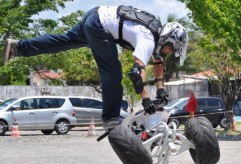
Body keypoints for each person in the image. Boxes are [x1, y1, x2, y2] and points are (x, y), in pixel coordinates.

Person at [3, 5, 188, 130]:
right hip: (100, 25)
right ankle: (111, 118)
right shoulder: (148, 38)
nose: (169, 52)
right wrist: (146, 99)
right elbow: (135, 73)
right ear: (168, 38)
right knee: (112, 71)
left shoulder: (156, 32)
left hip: (95, 15)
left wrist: (161, 90)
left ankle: (19, 47)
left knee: (64, 40)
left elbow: (158, 62)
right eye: (171, 48)